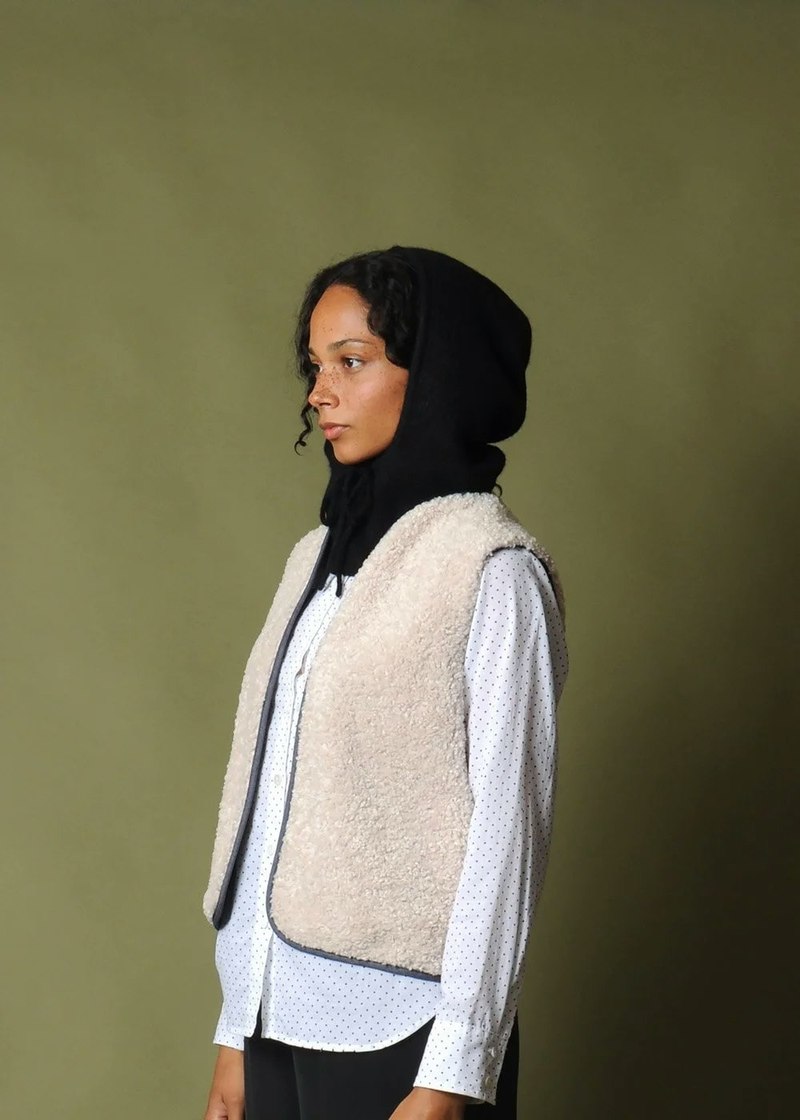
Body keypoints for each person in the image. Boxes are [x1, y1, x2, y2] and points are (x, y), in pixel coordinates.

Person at [202, 246, 568, 1120]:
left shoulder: (495, 572)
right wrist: (234, 1028)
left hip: (405, 1036)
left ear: (435, 374)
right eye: (315, 366)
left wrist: (454, 1071)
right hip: (274, 1022)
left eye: (352, 361)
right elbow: (273, 797)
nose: (319, 392)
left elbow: (507, 839)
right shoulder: (313, 562)